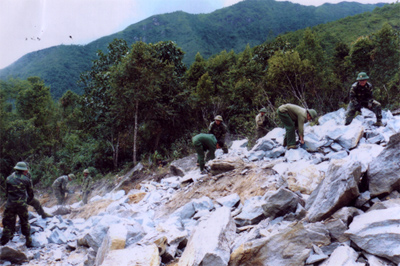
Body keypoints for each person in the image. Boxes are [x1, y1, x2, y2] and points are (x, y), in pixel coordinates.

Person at [1, 162, 34, 247]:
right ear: (23, 170)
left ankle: (4, 242)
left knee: (8, 223)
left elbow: (6, 193)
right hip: (21, 205)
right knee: (24, 222)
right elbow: (31, 194)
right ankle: (28, 241)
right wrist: (26, 202)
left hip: (10, 204)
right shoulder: (26, 179)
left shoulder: (8, 178)